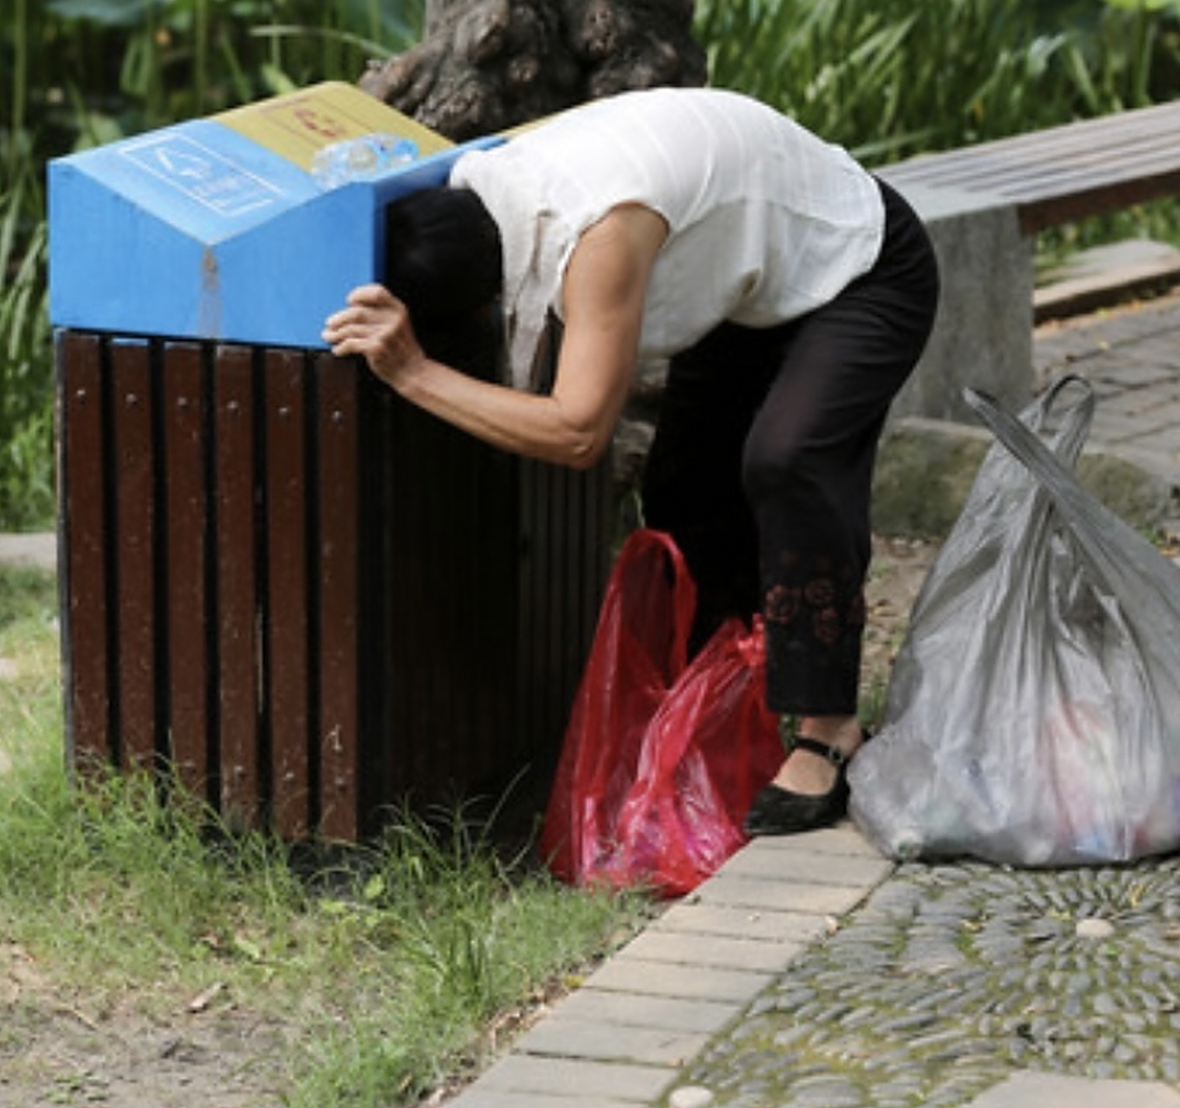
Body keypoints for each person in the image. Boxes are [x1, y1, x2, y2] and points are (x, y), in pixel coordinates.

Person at [323, 86, 940, 838]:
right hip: (748, 280)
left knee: (788, 458)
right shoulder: (473, 194)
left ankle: (828, 730)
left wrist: (416, 373)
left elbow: (578, 432)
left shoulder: (598, 234)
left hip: (861, 262)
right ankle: (717, 710)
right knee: (682, 488)